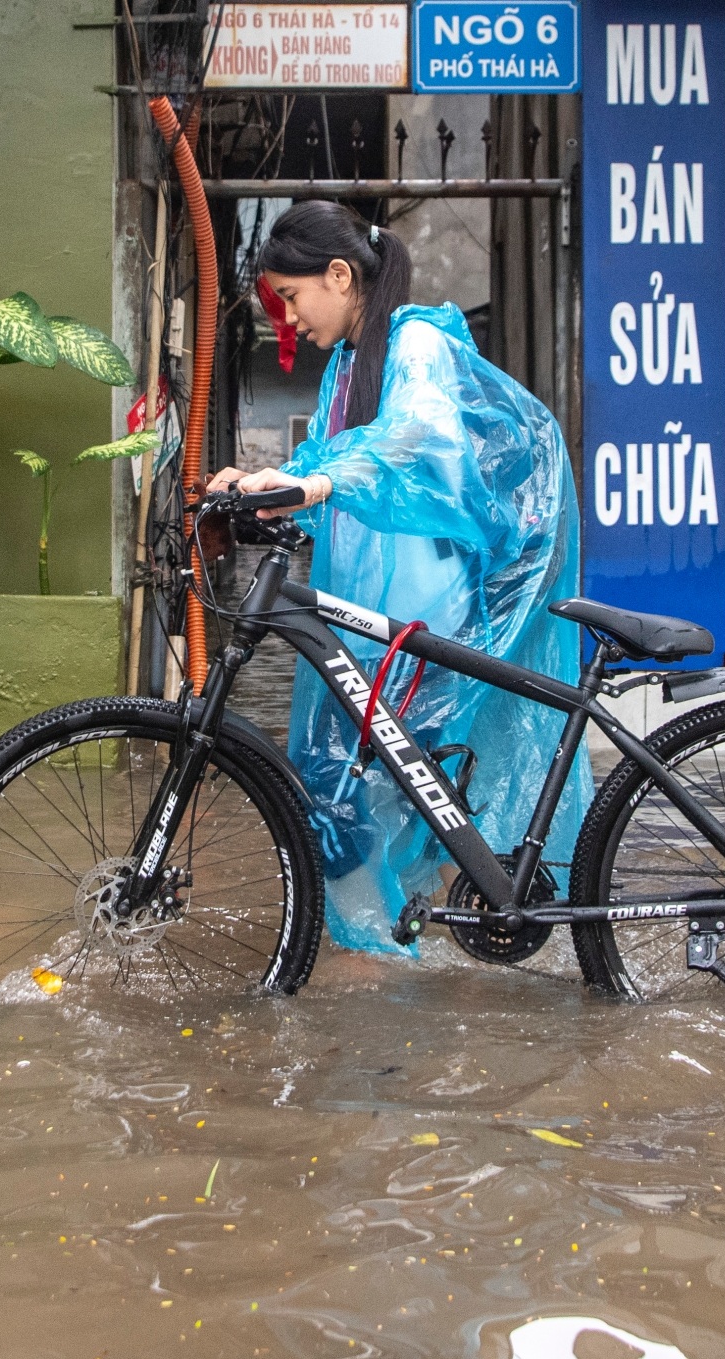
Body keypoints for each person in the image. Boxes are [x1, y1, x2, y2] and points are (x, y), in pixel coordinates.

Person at [208, 202, 589, 954]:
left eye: (291, 296)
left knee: (361, 789)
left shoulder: (416, 342)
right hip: (377, 609)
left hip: (423, 612)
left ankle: (382, 974)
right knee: (384, 791)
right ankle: (413, 953)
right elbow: (324, 465)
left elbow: (418, 438)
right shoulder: (349, 365)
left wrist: (320, 481)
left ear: (341, 275)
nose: (289, 317)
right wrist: (263, 482)